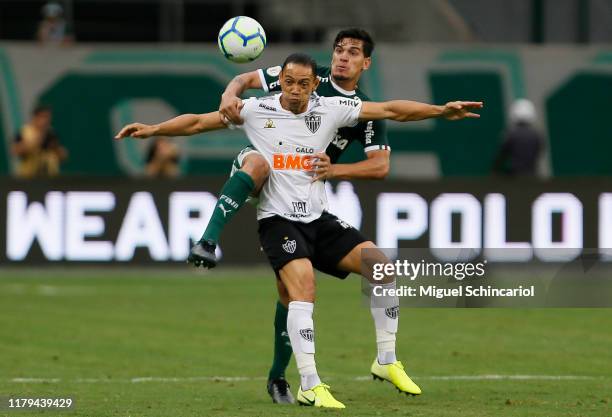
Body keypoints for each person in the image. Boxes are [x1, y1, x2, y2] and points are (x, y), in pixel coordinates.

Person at [115, 53, 483, 408]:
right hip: (277, 220)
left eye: (302, 84)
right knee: (304, 290)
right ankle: (309, 384)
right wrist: (153, 130)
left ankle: (385, 360)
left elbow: (390, 110)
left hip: (317, 218)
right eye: (288, 82)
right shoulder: (259, 109)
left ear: (314, 85)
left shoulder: (331, 109)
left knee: (381, 266)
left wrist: (440, 111)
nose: (293, 90)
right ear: (281, 82)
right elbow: (197, 122)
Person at [190, 28, 392, 403]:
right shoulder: (299, 77)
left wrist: (335, 170)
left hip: (307, 199)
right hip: (269, 181)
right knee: (255, 163)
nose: (342, 57)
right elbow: (243, 81)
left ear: (366, 63)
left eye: (352, 52)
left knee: (293, 293)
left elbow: (381, 159)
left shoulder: (359, 109)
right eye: (338, 50)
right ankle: (207, 239)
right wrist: (229, 93)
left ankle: (279, 377)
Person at [12, 104, 68, 178]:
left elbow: (63, 156)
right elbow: (15, 151)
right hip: (28, 177)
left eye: (48, 117)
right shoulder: (24, 132)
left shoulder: (51, 133)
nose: (46, 120)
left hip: (50, 178)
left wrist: (57, 149)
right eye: (44, 116)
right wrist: (35, 141)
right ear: (35, 117)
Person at [493, 98, 544, 176]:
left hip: (515, 177)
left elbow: (501, 156)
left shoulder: (510, 134)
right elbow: (539, 151)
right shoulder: (537, 135)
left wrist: (495, 171)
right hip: (533, 175)